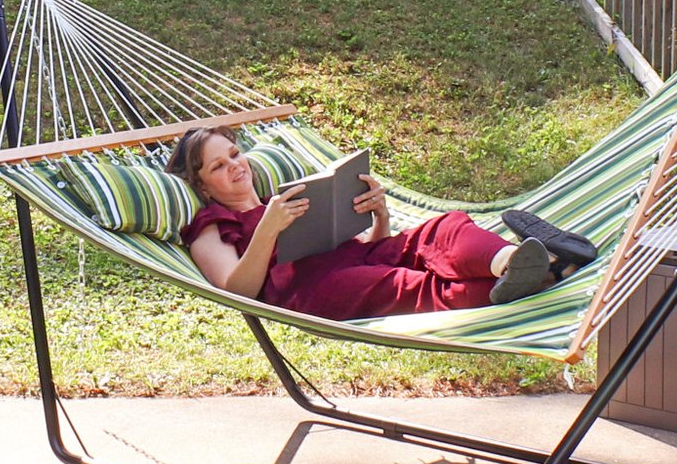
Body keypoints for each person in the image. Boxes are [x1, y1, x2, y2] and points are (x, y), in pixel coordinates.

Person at [165, 125, 559, 321]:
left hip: (358, 256)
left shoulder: (280, 198)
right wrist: (267, 230)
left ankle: (513, 262)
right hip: (316, 289)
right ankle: (545, 273)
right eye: (219, 165)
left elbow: (346, 246)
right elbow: (238, 291)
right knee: (409, 287)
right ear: (200, 183)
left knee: (443, 229)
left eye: (235, 154)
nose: (235, 165)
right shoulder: (211, 226)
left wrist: (379, 217)